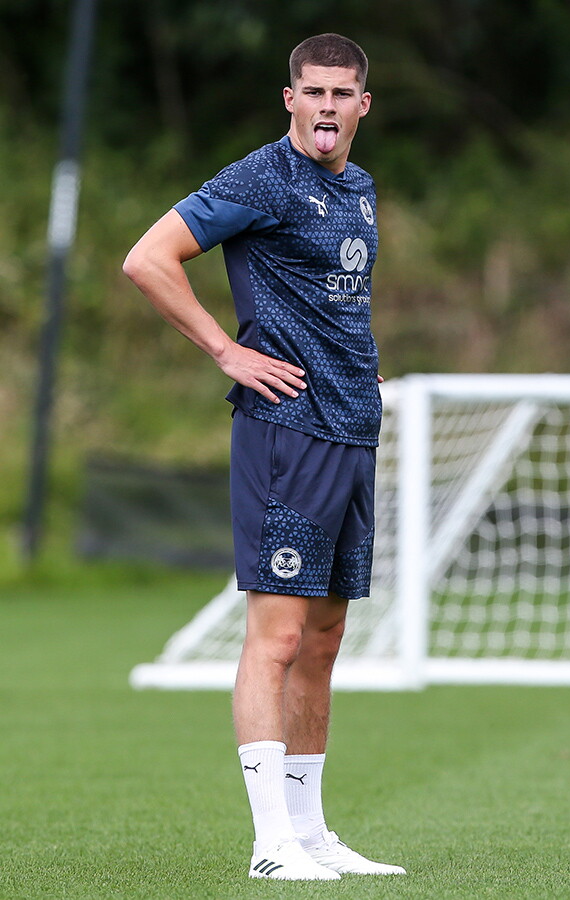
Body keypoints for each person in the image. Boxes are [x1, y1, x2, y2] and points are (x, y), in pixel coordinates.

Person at [123, 33, 405, 881]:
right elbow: (147, 259)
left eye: (341, 93)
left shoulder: (358, 189)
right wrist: (225, 350)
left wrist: (358, 369)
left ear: (363, 105)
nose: (326, 106)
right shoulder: (261, 179)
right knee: (276, 638)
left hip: (352, 429)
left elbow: (333, 306)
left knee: (323, 639)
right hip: (286, 433)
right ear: (290, 99)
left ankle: (310, 834)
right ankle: (270, 845)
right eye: (312, 91)